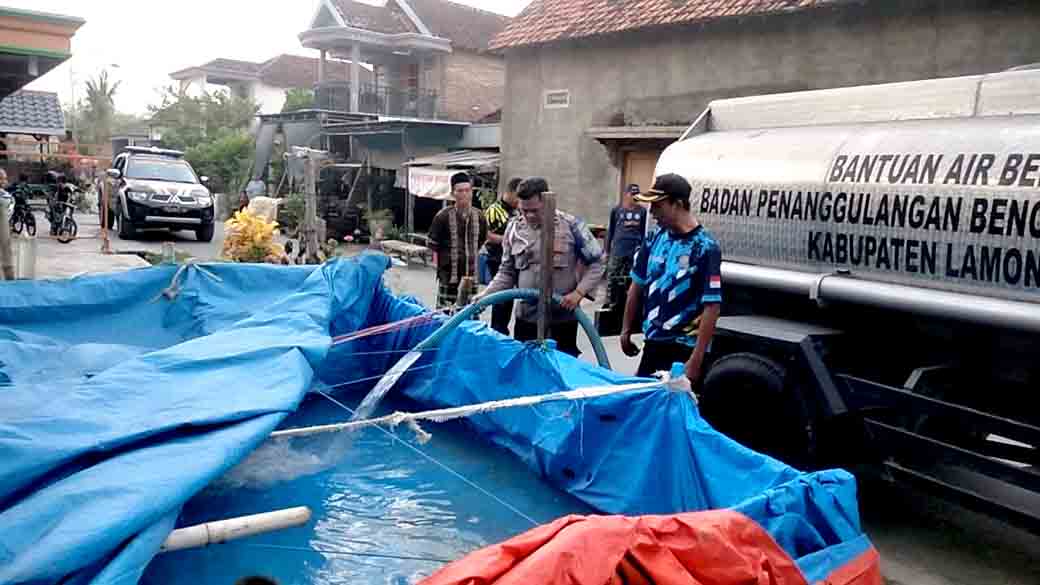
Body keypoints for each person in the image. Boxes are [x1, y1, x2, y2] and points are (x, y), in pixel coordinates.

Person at [478, 177, 604, 357]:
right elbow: (506, 273)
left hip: (563, 318)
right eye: (524, 210)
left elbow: (597, 262)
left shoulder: (571, 225)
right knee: (526, 367)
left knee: (562, 369)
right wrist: (485, 296)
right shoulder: (514, 229)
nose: (529, 216)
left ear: (547, 202)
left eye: (534, 210)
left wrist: (579, 293)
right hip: (527, 318)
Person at [620, 173, 722, 383]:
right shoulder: (654, 238)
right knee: (642, 396)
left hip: (683, 346)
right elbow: (636, 286)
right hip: (653, 342)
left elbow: (712, 306)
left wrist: (696, 360)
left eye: (658, 206)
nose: (652, 212)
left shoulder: (705, 247)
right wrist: (626, 330)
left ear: (678, 204)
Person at [429, 172, 487, 308]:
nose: (464, 194)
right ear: (452, 193)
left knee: (469, 314)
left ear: (472, 192)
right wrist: (440, 267)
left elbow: (481, 241)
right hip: (449, 277)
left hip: (471, 277)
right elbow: (433, 244)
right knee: (445, 315)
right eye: (460, 191)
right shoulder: (442, 216)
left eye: (467, 190)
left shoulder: (480, 216)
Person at [482, 177, 521, 334]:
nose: (519, 200)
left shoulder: (517, 210)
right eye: (518, 196)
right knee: (500, 300)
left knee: (508, 300)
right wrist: (508, 240)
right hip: (497, 259)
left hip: (513, 260)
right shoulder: (494, 210)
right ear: (510, 192)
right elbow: (486, 235)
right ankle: (497, 331)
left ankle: (502, 330)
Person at [604, 183, 648, 311]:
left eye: (637, 195)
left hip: (634, 251)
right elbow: (611, 231)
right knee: (613, 276)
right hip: (618, 250)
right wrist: (607, 250)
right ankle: (609, 302)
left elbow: (643, 232)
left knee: (631, 277)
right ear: (626, 194)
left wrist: (642, 250)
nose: (634, 197)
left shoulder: (642, 211)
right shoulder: (617, 210)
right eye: (632, 194)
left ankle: (627, 302)